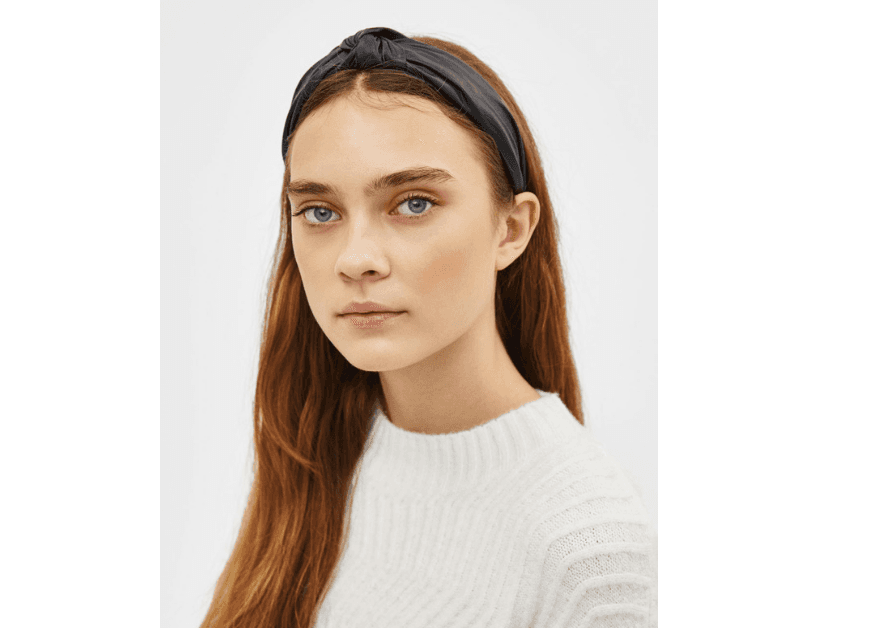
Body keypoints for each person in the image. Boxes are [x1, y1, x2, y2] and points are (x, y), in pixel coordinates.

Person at [200, 27, 655, 628]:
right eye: (320, 211)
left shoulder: (590, 551)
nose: (356, 259)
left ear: (511, 229)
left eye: (414, 203)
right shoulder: (319, 451)